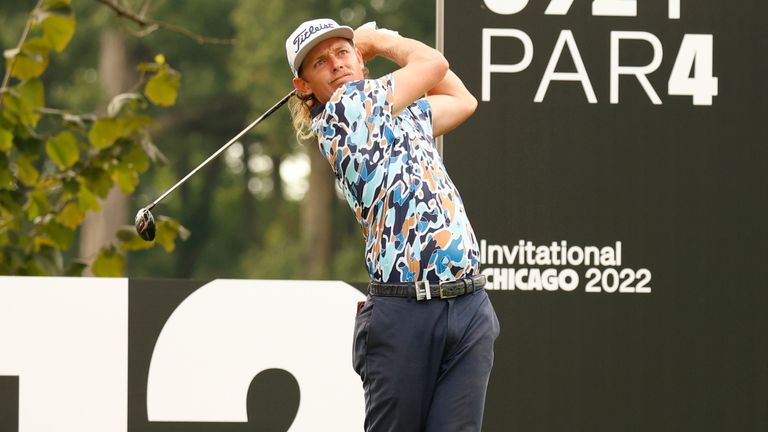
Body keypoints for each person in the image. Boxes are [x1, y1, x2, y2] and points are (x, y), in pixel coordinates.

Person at [285, 18, 500, 432]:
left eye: (342, 52)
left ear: (359, 63)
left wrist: (372, 50)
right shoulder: (345, 111)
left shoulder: (398, 115)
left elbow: (462, 99)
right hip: (405, 311)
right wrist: (380, 41)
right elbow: (433, 64)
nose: (335, 64)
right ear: (304, 87)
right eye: (320, 62)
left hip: (468, 303)